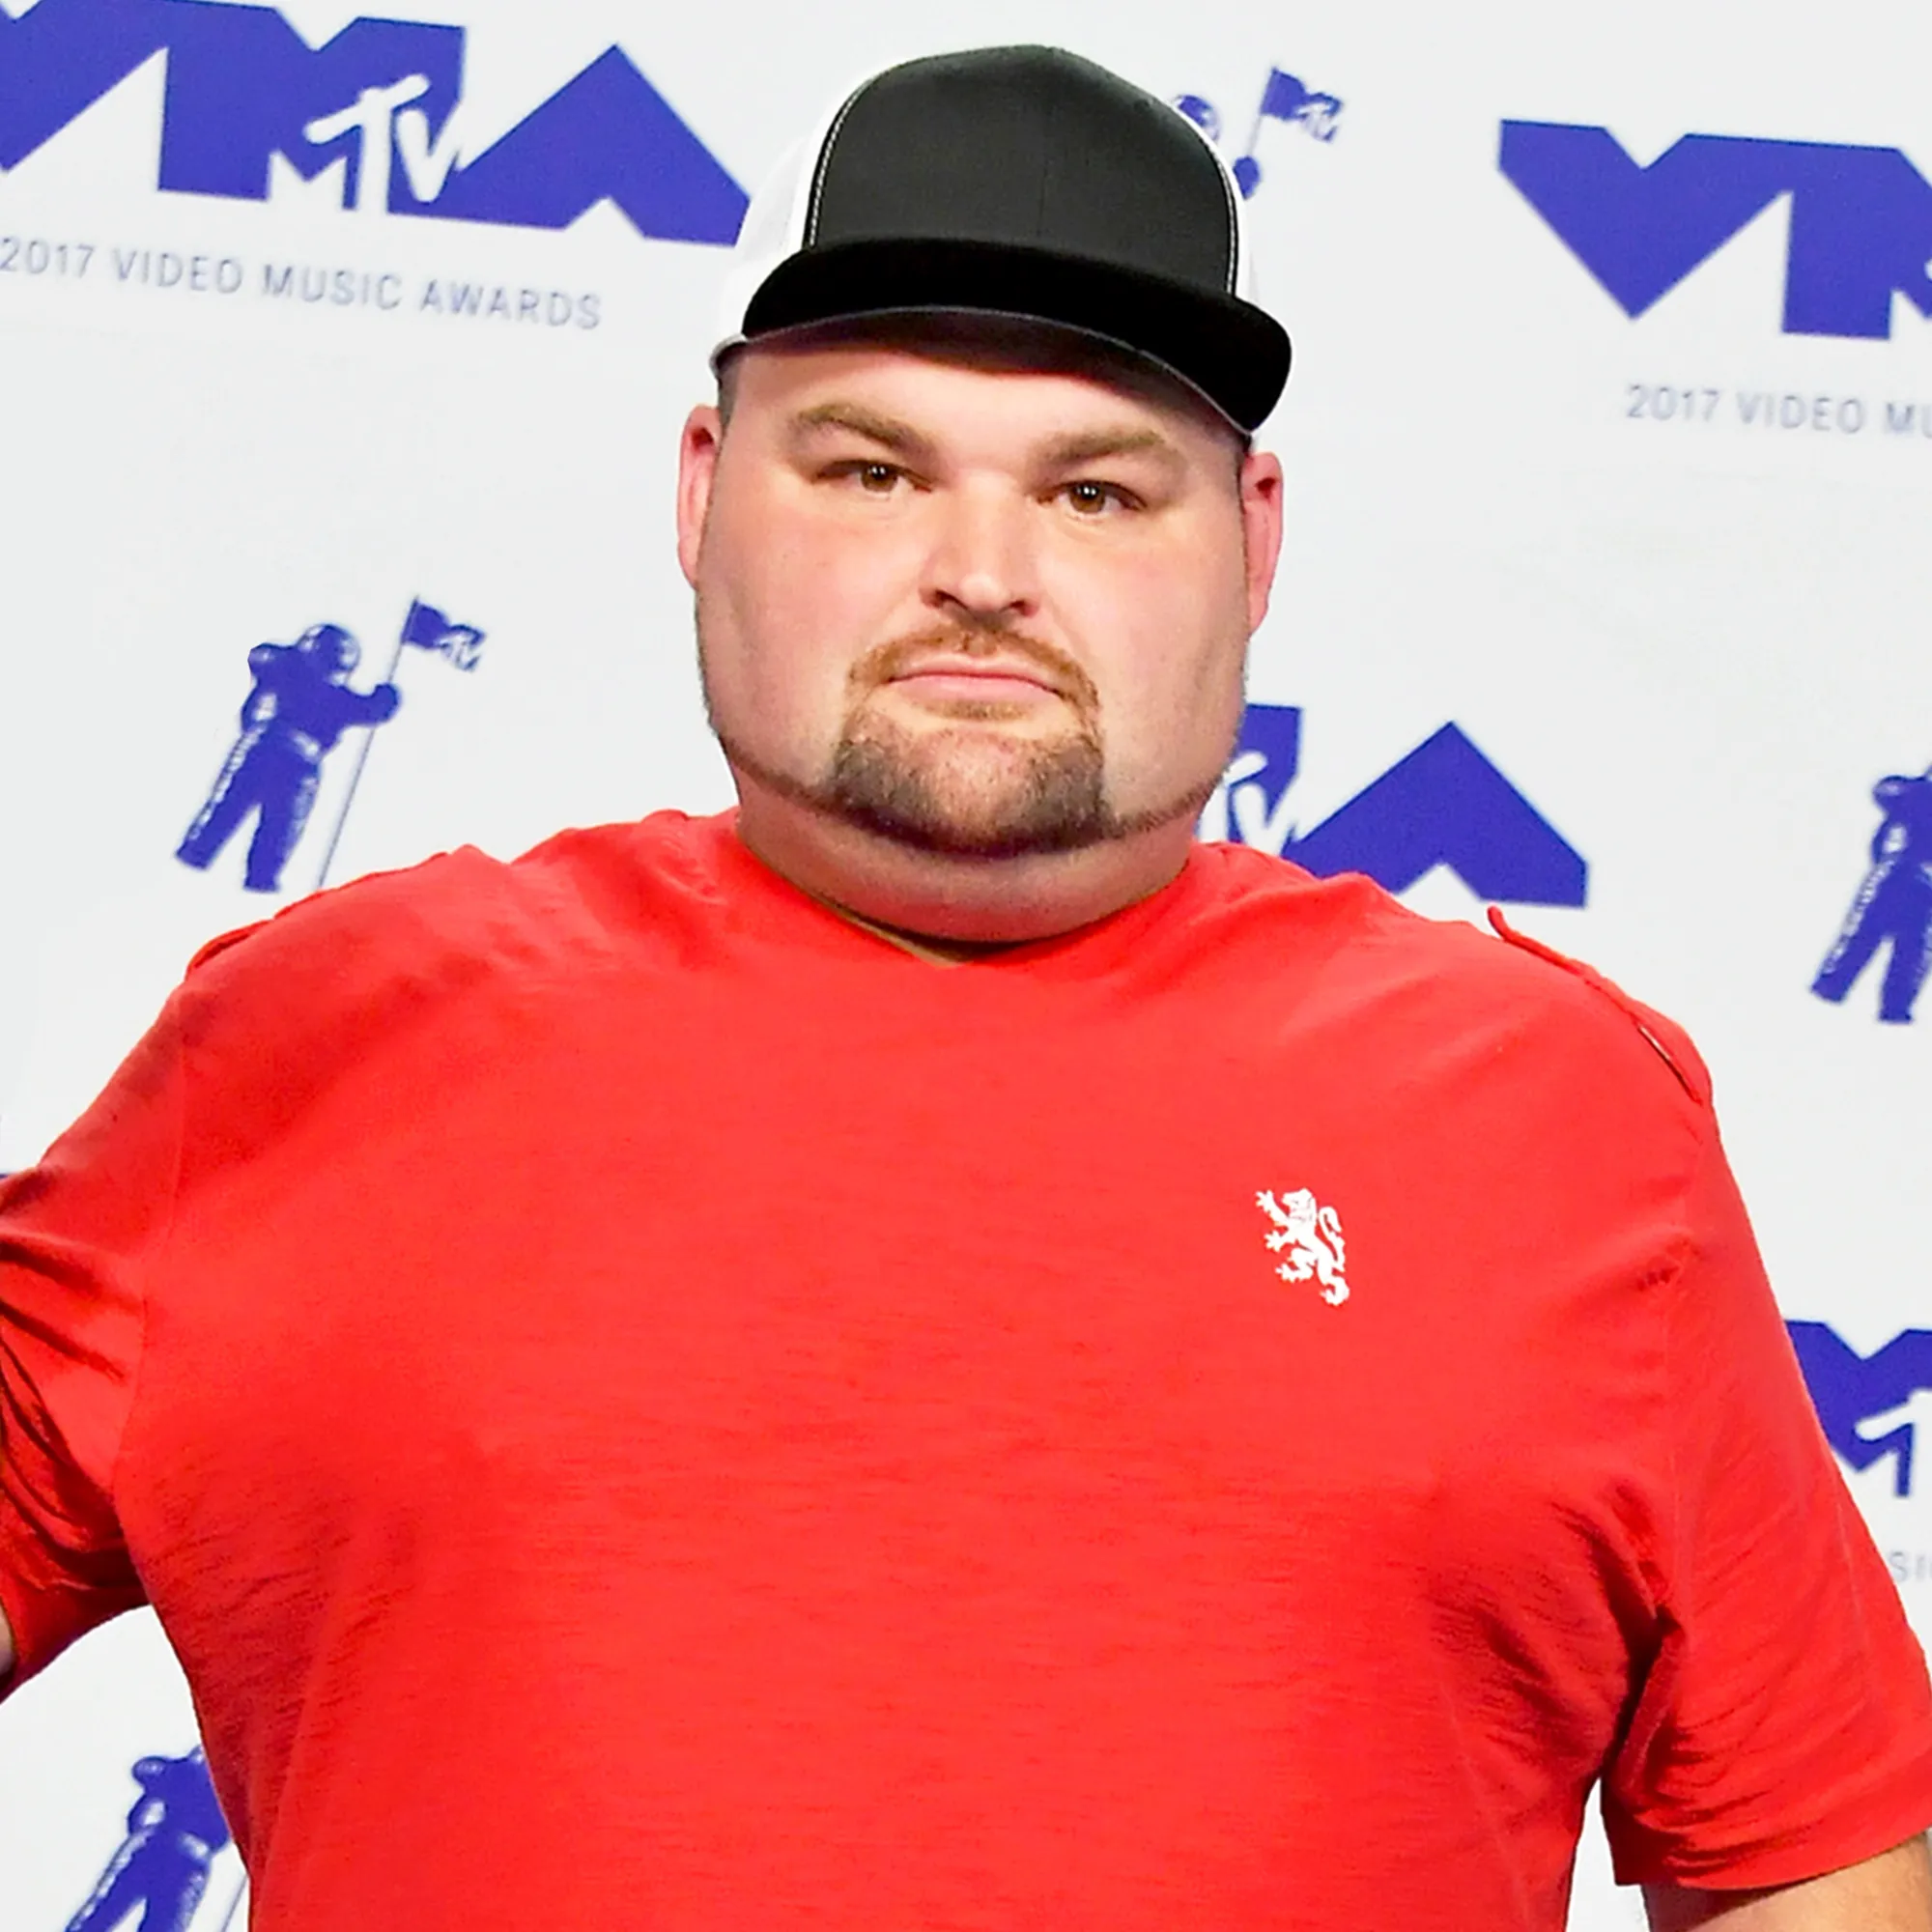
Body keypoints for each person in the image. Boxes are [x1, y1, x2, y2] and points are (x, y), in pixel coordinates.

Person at [1, 44, 1929, 1932]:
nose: (981, 570)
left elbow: (1811, 1869)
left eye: (1097, 493)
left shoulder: (1556, 1110)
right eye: (870, 469)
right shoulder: (317, 1039)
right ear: (703, 493)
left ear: (1251, 544)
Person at [175, 621, 401, 893]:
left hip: (286, 756)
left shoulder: (318, 686)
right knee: (245, 815)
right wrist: (384, 699)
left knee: (272, 825)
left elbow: (371, 710)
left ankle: (248, 875)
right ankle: (219, 865)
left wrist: (385, 700)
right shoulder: (288, 669)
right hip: (273, 749)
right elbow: (258, 656)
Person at [65, 1747, 231, 1932]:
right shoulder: (185, 1774)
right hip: (165, 1847)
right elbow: (143, 1770)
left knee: (109, 1911)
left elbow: (144, 1771)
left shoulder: (190, 1776)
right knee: (115, 1913)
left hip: (167, 1848)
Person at [1812, 766, 1932, 1024]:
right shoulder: (1917, 793)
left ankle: (1895, 1008)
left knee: (1912, 949)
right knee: (1864, 935)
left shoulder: (1914, 792)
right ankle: (1832, 987)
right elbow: (1886, 791)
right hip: (1895, 874)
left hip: (1920, 884)